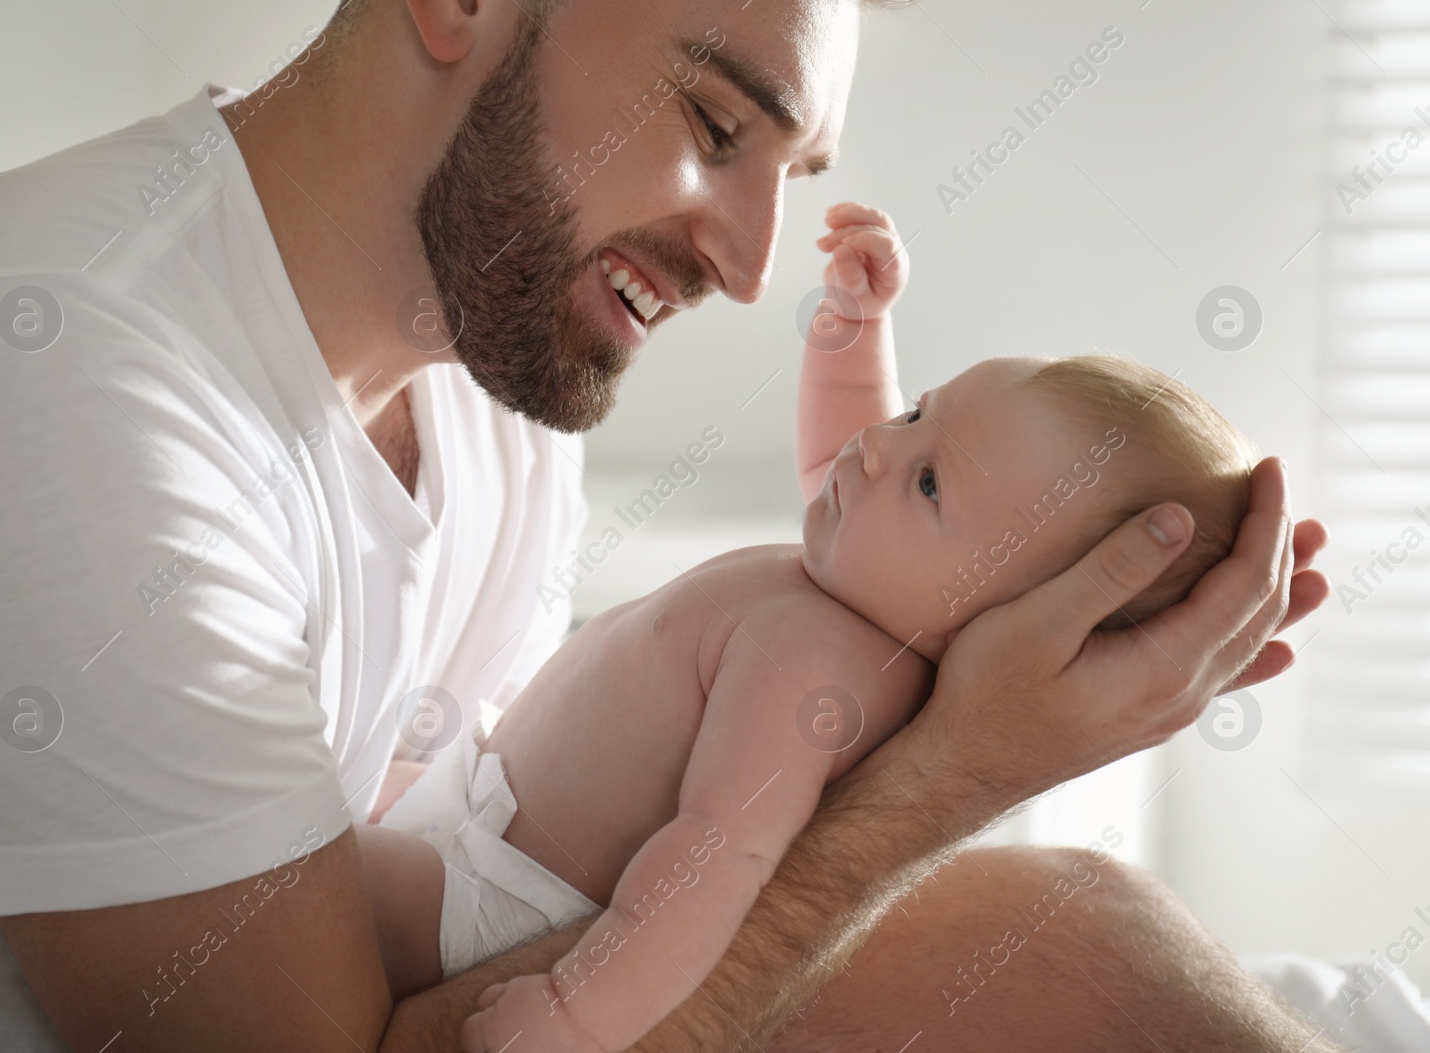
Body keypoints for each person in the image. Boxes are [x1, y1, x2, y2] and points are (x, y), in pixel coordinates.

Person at [0, 0, 1331, 1051]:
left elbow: (507, 863)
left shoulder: (497, 384)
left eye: (792, 174)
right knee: (1057, 939)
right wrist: (940, 783)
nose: (754, 266)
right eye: (713, 119)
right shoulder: (51, 380)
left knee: (1073, 941)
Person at [364, 203, 1261, 1052]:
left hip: (489, 898)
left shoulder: (818, 666)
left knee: (292, 897)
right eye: (918, 414)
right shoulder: (871, 591)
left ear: (1011, 620)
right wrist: (856, 324)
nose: (877, 446)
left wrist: (575, 1012)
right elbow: (845, 445)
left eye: (931, 484)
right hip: (477, 803)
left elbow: (715, 860)